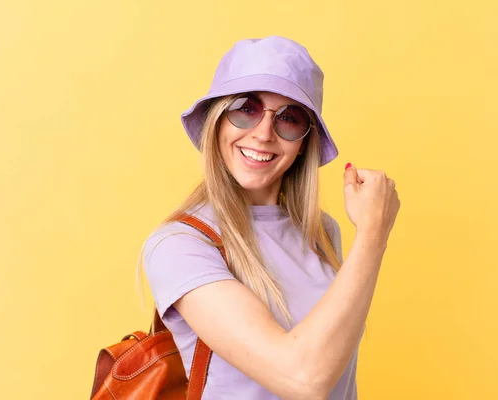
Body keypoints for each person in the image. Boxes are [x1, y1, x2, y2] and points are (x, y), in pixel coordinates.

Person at [139, 36, 400, 399]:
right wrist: (373, 234)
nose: (263, 134)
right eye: (245, 108)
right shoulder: (181, 245)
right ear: (217, 121)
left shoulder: (322, 233)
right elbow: (303, 379)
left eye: (289, 118)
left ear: (305, 141)